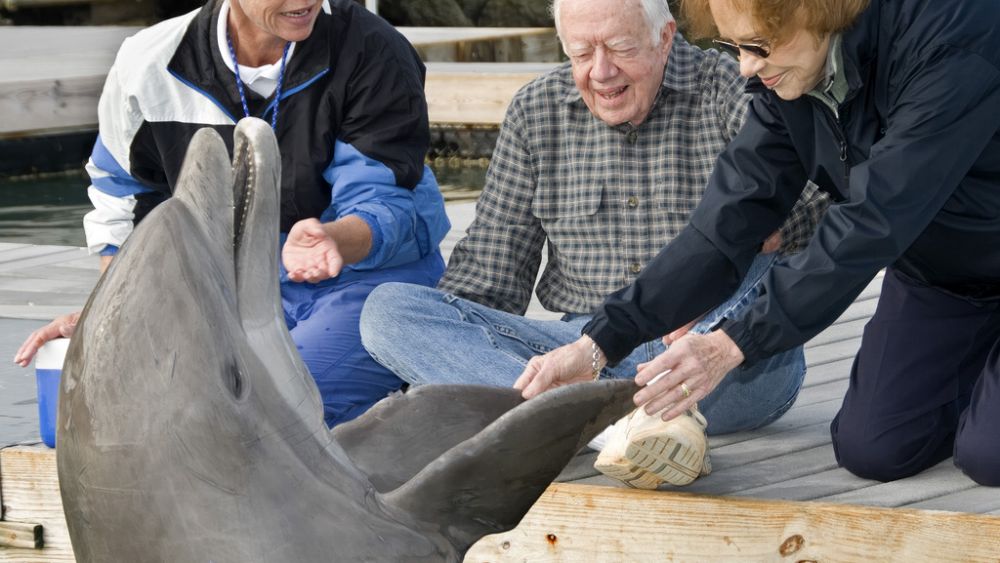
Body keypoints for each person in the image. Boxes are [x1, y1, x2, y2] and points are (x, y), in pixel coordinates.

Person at [521, 0, 1000, 486]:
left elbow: (875, 219)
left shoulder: (953, 38)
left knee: (989, 456)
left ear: (816, 14)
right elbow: (724, 223)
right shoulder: (791, 75)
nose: (746, 66)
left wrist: (732, 344)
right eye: (734, 47)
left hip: (954, 239)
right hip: (942, 279)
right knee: (873, 449)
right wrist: (601, 340)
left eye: (758, 47)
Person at [360, 0, 827, 488]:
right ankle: (615, 429)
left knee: (757, 227)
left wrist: (716, 268)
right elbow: (485, 279)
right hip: (583, 353)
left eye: (620, 48)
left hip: (724, 357)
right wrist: (438, 354)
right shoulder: (535, 111)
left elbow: (817, 201)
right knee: (388, 311)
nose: (601, 72)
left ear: (665, 37)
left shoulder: (733, 85)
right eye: (581, 53)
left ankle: (566, 422)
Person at [12, 0, 451, 428]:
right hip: (223, 292)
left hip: (365, 283)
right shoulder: (147, 61)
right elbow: (123, 204)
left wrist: (332, 239)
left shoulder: (373, 49)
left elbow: (384, 200)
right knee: (126, 401)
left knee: (267, 411)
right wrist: (107, 316)